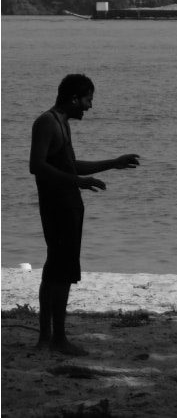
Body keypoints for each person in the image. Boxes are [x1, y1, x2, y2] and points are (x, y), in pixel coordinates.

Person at [29, 74, 140, 355]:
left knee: (55, 269)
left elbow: (69, 165)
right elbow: (37, 166)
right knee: (60, 273)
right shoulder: (47, 122)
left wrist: (112, 163)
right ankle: (56, 339)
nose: (89, 107)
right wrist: (76, 182)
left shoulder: (62, 124)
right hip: (57, 208)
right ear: (74, 98)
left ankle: (47, 338)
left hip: (68, 206)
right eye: (88, 100)